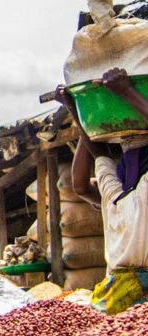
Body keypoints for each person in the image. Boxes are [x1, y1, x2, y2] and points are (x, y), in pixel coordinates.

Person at [57, 68, 148, 314]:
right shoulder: (115, 195)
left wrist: (76, 109)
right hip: (120, 297)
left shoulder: (115, 195)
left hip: (119, 296)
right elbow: (92, 163)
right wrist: (76, 109)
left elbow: (86, 176)